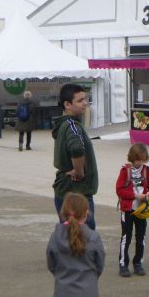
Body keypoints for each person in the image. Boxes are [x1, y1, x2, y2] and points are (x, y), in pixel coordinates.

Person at [52, 84, 98, 230]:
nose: (85, 103)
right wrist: (79, 171)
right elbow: (77, 148)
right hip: (77, 192)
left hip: (65, 190)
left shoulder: (64, 125)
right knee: (83, 236)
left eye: (86, 99)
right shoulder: (72, 126)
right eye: (80, 100)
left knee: (68, 236)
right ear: (67, 105)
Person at [115, 143, 149, 277]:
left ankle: (138, 262)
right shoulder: (125, 171)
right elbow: (119, 190)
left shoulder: (146, 170)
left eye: (142, 159)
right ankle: (123, 264)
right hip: (128, 210)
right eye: (137, 159)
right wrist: (135, 196)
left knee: (141, 237)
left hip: (142, 210)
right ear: (132, 158)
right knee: (126, 237)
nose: (139, 162)